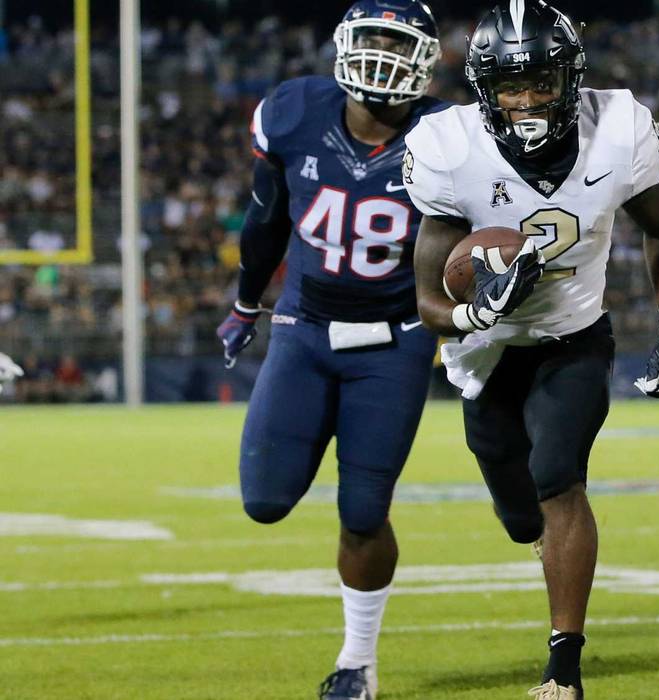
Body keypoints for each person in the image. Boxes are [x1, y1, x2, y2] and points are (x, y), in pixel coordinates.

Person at [403, 2, 659, 697]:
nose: (527, 100)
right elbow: (426, 303)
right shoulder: (446, 147)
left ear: (570, 79)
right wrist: (479, 308)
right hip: (486, 353)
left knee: (559, 475)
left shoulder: (619, 129)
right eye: (510, 86)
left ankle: (564, 666)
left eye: (541, 82)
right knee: (518, 513)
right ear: (483, 91)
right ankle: (531, 529)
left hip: (573, 337)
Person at [212, 3, 445, 698]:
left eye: (397, 45)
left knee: (363, 513)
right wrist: (244, 302)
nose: (382, 57)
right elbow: (266, 220)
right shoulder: (293, 110)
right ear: (342, 47)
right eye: (372, 41)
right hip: (304, 330)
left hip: (395, 342)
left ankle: (356, 662)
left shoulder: (449, 134)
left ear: (428, 60)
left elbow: (473, 244)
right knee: (264, 499)